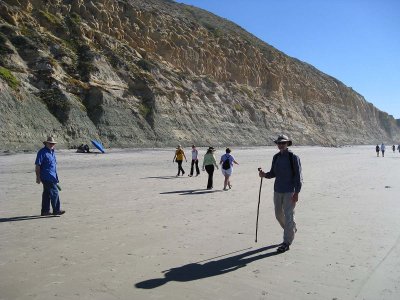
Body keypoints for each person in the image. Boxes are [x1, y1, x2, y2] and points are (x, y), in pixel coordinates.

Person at [259, 134, 302, 253]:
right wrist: (264, 175)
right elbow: (273, 173)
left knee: (289, 215)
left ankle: (286, 242)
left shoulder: (293, 157)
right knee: (278, 215)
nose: (281, 145)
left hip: (290, 191)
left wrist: (297, 192)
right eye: (279, 143)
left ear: (288, 144)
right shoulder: (276, 157)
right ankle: (291, 229)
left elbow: (298, 176)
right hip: (277, 190)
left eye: (283, 143)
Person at [35, 136, 65, 216]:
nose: (52, 145)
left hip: (52, 176)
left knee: (47, 193)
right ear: (46, 143)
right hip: (46, 176)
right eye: (50, 143)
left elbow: (53, 166)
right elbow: (37, 165)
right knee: (54, 192)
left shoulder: (52, 152)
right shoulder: (42, 152)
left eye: (53, 144)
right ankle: (56, 210)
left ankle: (45, 211)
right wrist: (38, 177)